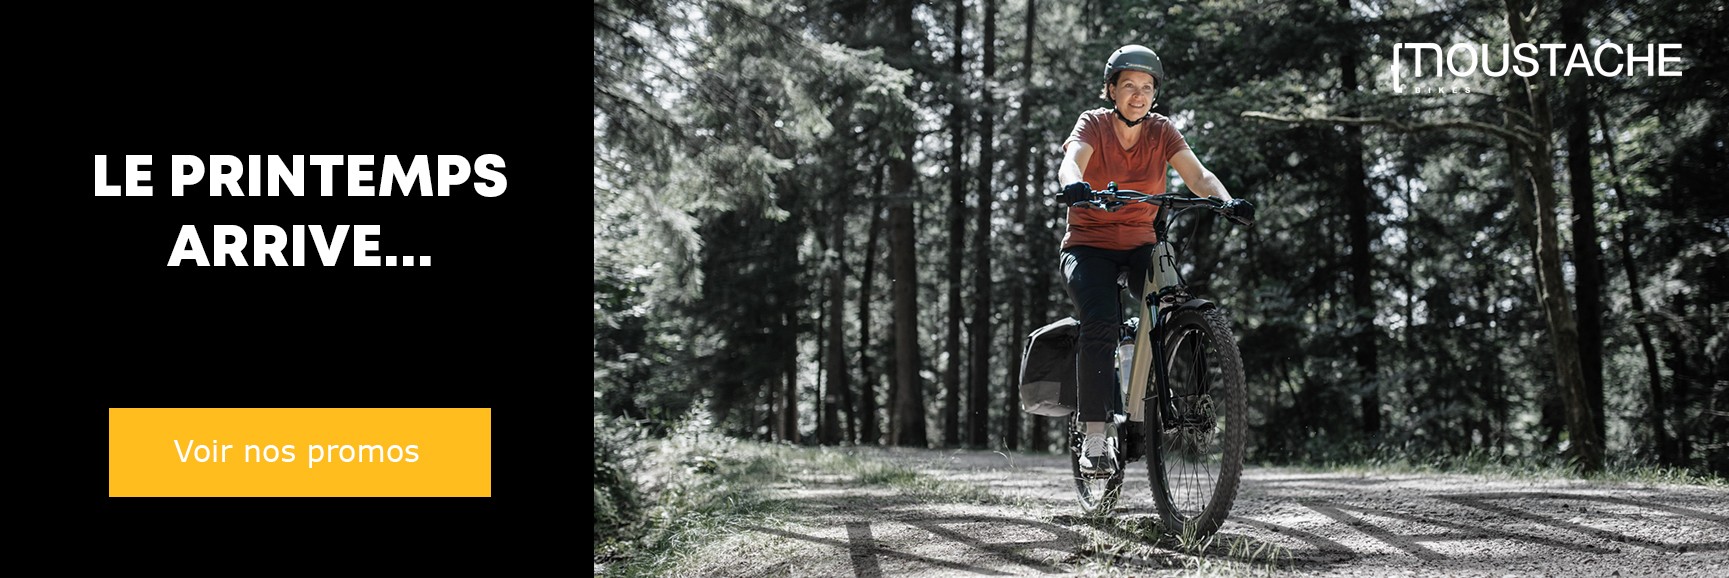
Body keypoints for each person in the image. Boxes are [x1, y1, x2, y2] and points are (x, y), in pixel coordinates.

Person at [1056, 44, 1253, 474]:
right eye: (1129, 85)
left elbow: (1198, 176)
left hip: (1141, 243)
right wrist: (1073, 184)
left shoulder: (1162, 131)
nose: (1138, 95)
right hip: (1087, 245)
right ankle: (1095, 435)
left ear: (1155, 94)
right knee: (1100, 322)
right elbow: (1072, 162)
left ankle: (1168, 386)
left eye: (1147, 87)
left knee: (1172, 300)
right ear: (1111, 90)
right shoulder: (1093, 123)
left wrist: (1225, 201)